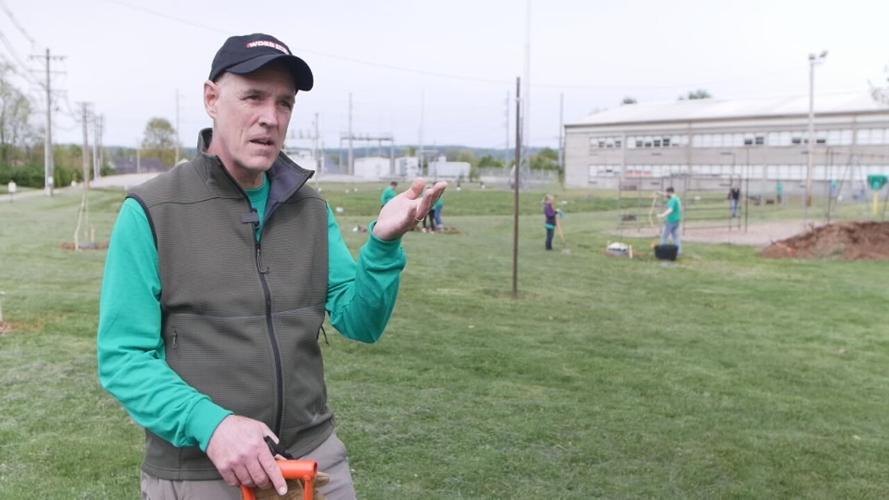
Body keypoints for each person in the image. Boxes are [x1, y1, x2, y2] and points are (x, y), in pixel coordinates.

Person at [96, 33, 446, 500]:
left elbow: (361, 322)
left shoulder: (310, 209)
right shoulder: (152, 210)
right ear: (212, 99)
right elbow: (124, 359)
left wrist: (383, 246)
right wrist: (213, 425)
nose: (271, 117)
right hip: (200, 475)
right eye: (254, 97)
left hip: (314, 465)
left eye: (284, 102)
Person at [656, 186, 682, 256]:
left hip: (671, 221)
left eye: (667, 193)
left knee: (664, 236)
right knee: (676, 237)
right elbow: (666, 195)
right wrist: (659, 193)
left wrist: (662, 215)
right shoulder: (677, 198)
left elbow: (670, 210)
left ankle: (663, 252)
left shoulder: (672, 200)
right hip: (677, 220)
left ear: (670, 192)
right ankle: (678, 252)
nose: (666, 194)